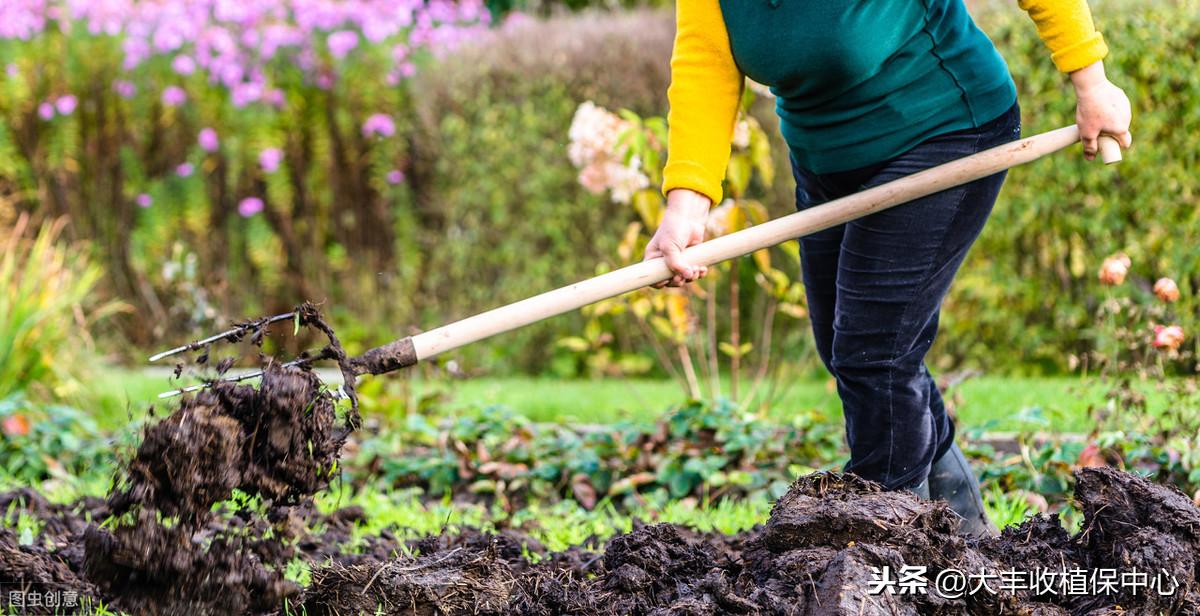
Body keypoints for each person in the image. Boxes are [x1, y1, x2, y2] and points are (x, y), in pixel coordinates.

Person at [644, 0, 1132, 537]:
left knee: (874, 354)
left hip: (942, 129)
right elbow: (705, 64)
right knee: (849, 351)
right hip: (826, 159)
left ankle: (890, 546)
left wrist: (1092, 81)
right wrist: (686, 206)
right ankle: (964, 533)